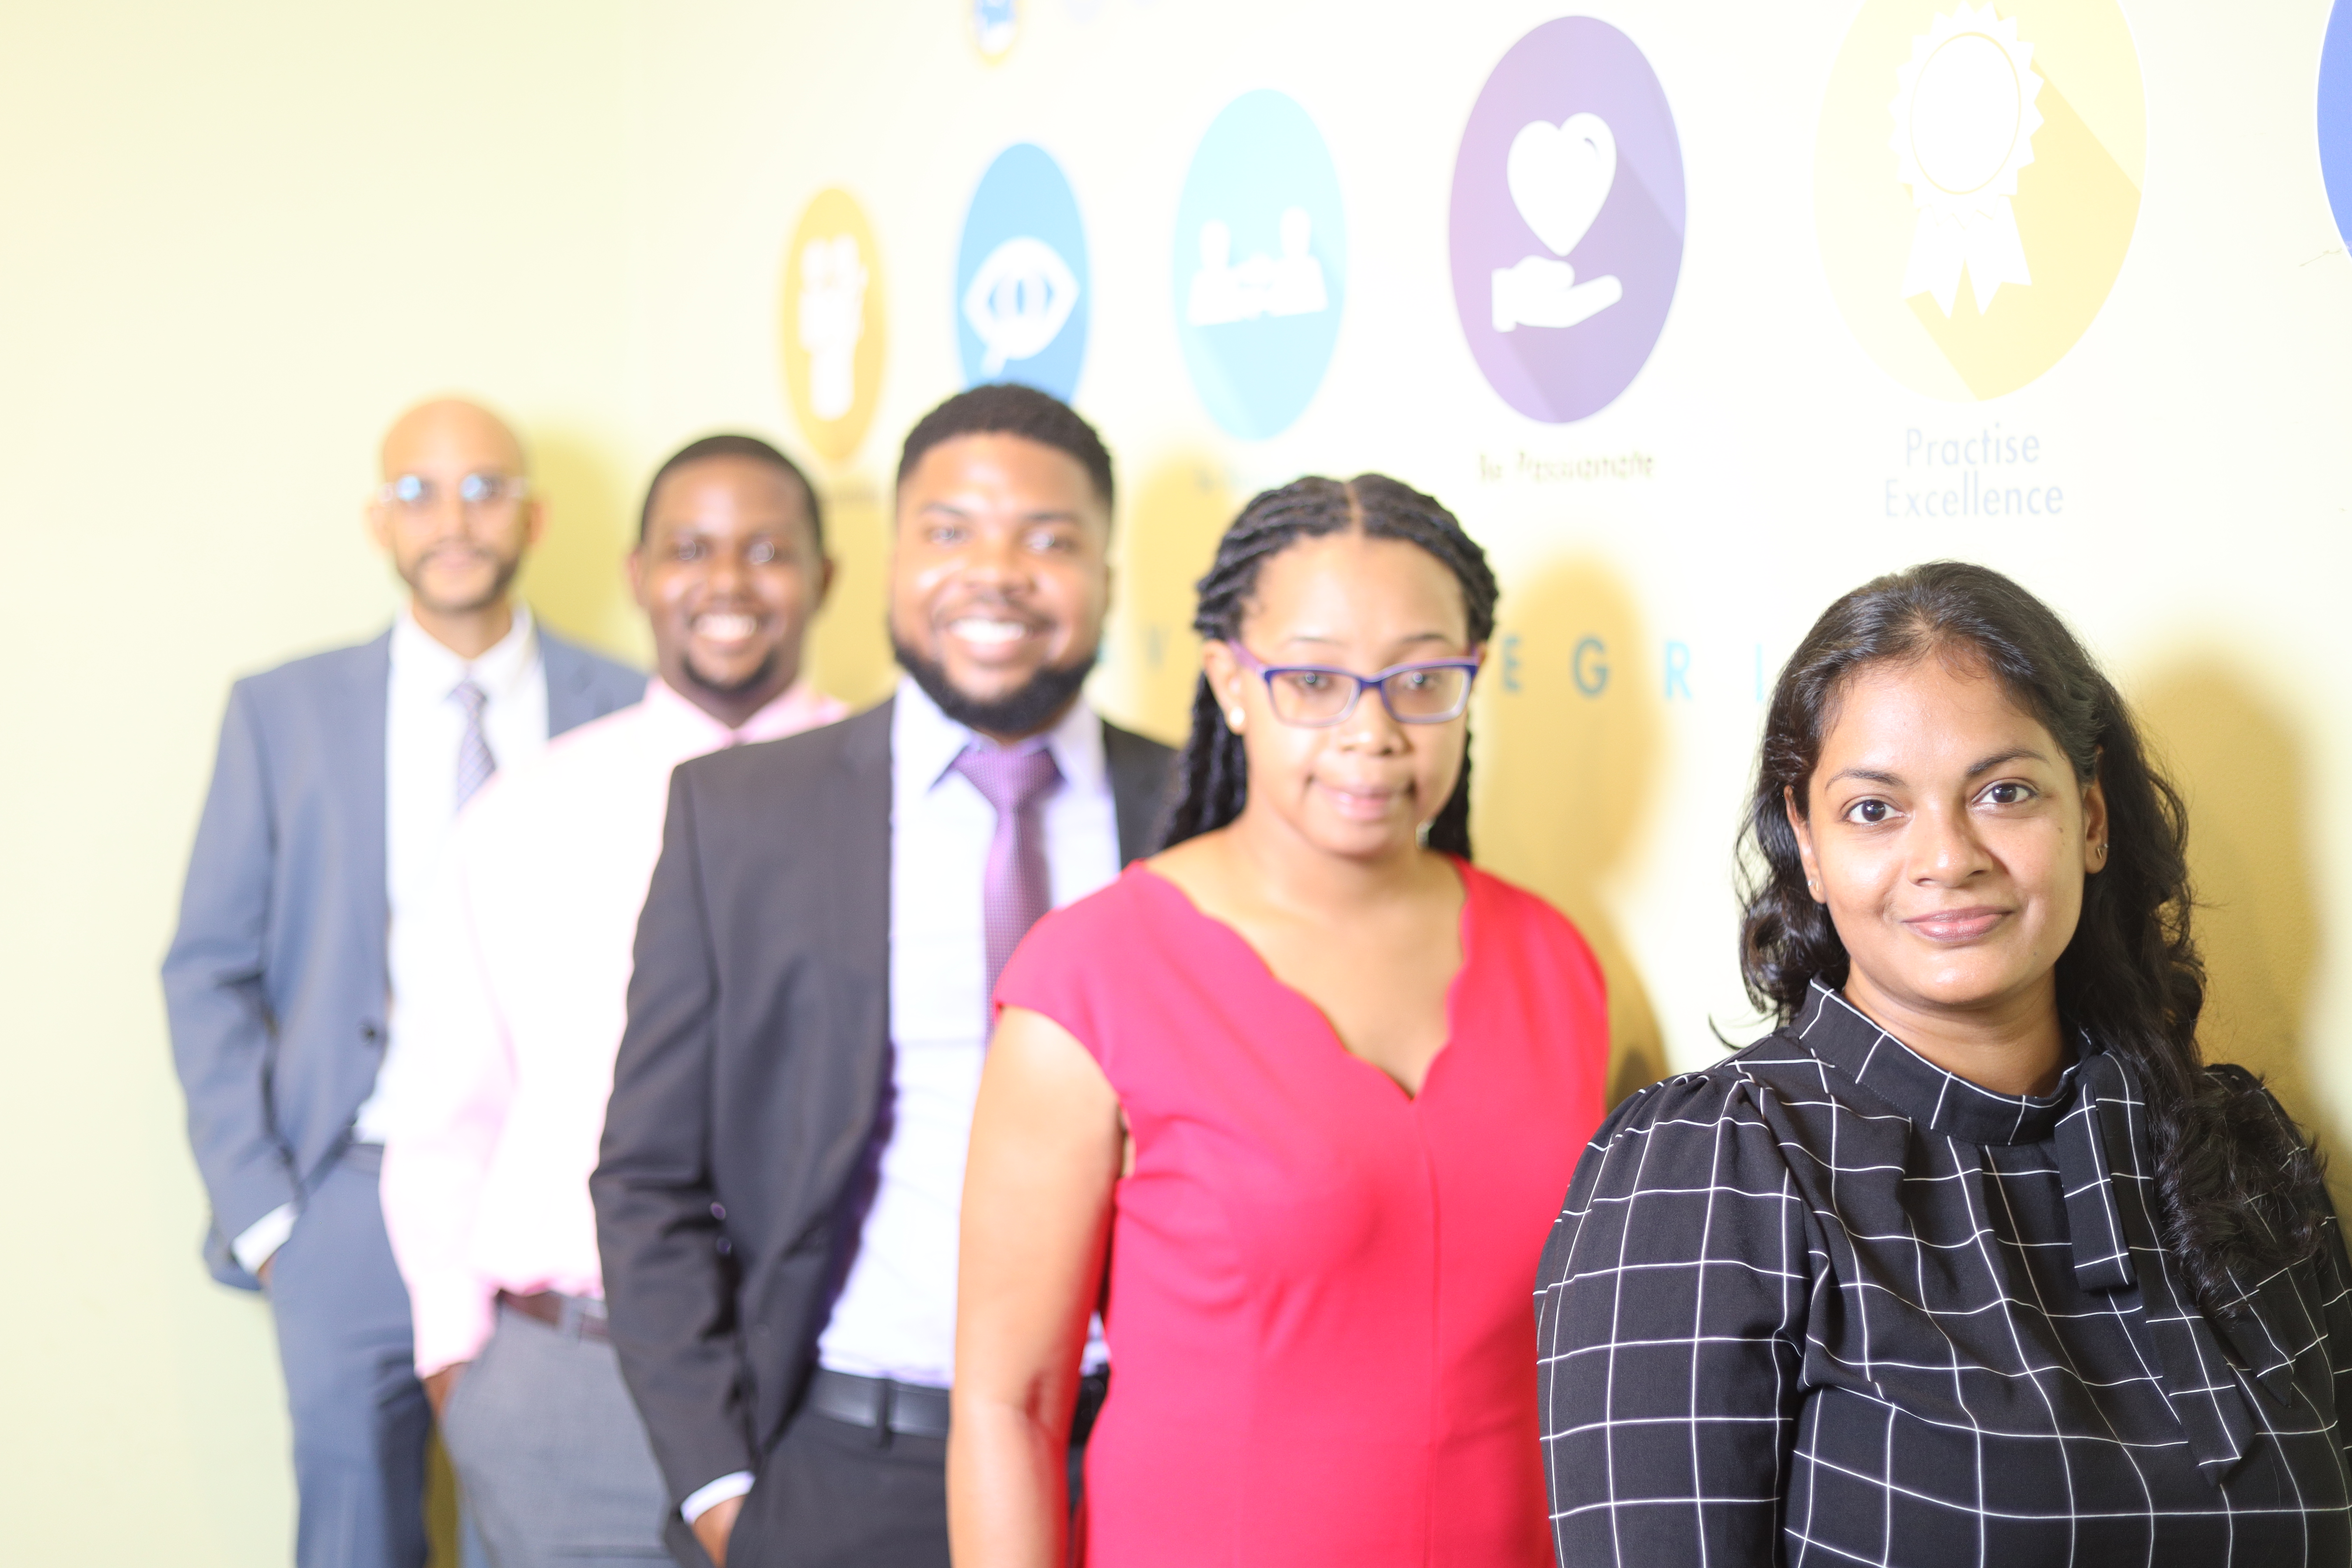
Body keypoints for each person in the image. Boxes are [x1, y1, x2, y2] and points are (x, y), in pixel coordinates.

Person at [1535, 561, 2352, 1565]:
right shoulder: (1718, 1167)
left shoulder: (2237, 1147)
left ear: (2090, 819)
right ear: (1810, 845)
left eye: (2004, 793)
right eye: (1876, 810)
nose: (1948, 855)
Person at [950, 475, 1611, 1568]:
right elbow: (1009, 1406)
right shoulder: (1095, 974)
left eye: (1422, 680)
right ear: (1232, 683)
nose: (1374, 731)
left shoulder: (1559, 962)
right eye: (1312, 680)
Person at [592, 385, 1176, 1568]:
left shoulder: (1198, 813)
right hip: (852, 1465)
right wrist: (723, 1488)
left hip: (1142, 1461)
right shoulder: (744, 815)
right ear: (892, 562)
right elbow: (647, 1179)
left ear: (1110, 577)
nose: (996, 572)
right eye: (951, 532)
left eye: (1050, 539)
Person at [162, 398, 644, 1568]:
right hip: (346, 1200)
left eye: (483, 488)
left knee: (535, 1523)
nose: (455, 519)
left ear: (531, 513)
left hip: (549, 1211)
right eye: (420, 492)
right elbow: (207, 969)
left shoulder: (629, 706)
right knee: (353, 1535)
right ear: (380, 519)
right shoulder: (280, 714)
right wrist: (270, 1217)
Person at [378, 435, 847, 1567]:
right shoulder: (525, 812)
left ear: (825, 577)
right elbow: (445, 1111)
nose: (726, 583)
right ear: (640, 575)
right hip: (569, 1389)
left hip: (831, 1388)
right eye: (690, 550)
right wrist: (458, 1360)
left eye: (766, 551)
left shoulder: (908, 800)